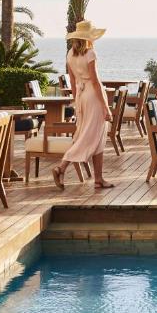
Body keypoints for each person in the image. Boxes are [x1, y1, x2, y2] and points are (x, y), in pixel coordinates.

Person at [52, 20, 115, 190]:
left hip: (81, 96)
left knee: (94, 136)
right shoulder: (90, 54)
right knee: (88, 136)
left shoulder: (70, 54)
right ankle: (61, 168)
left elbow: (72, 81)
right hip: (93, 97)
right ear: (88, 38)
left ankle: (98, 179)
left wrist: (76, 101)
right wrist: (106, 107)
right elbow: (95, 82)